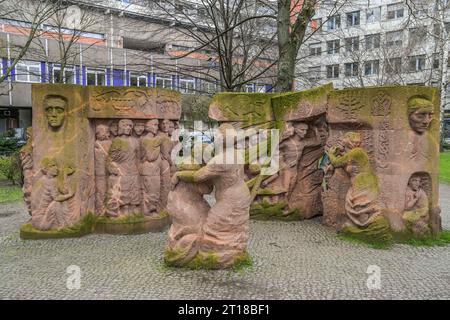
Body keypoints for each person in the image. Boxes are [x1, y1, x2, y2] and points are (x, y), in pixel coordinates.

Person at [327, 132, 381, 227]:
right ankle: (363, 224)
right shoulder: (352, 154)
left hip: (364, 182)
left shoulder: (357, 152)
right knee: (356, 205)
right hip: (358, 182)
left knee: (360, 206)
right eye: (353, 142)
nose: (356, 144)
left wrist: (330, 153)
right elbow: (345, 160)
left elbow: (336, 163)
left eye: (357, 142)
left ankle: (366, 225)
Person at [105, 119, 141, 217]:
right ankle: (124, 208)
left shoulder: (135, 141)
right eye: (126, 126)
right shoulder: (117, 141)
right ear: (121, 127)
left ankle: (132, 207)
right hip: (122, 168)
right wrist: (113, 168)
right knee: (123, 189)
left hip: (133, 168)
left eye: (130, 126)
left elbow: (138, 157)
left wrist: (139, 169)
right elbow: (111, 158)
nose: (128, 128)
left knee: (133, 189)